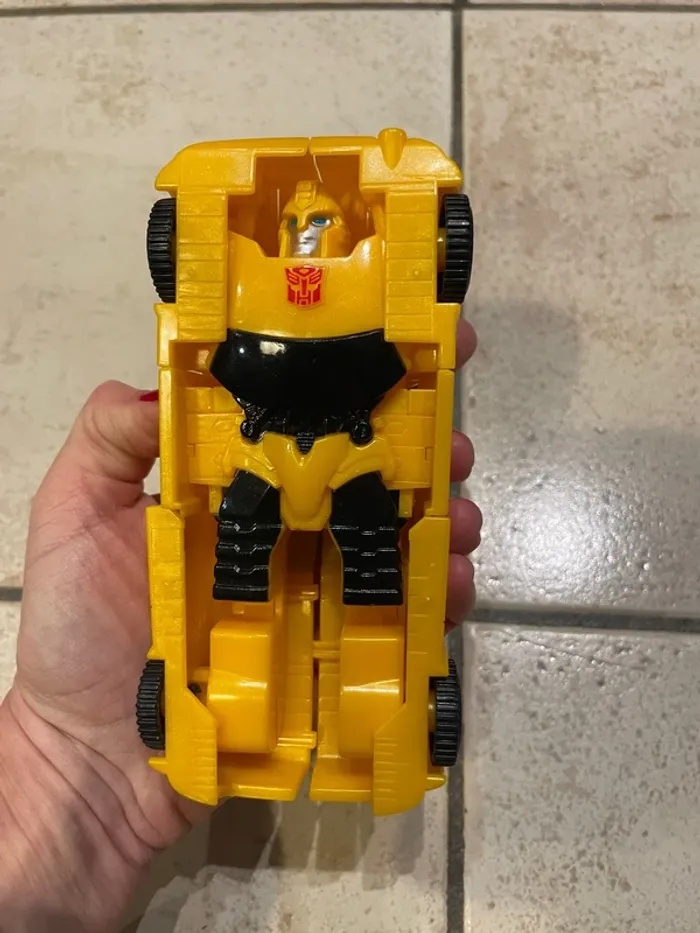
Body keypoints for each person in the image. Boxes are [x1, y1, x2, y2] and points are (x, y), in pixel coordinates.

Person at [0, 322, 481, 933]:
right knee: (254, 576)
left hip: (345, 460)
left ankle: (369, 684)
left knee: (366, 578)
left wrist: (59, 767)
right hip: (271, 463)